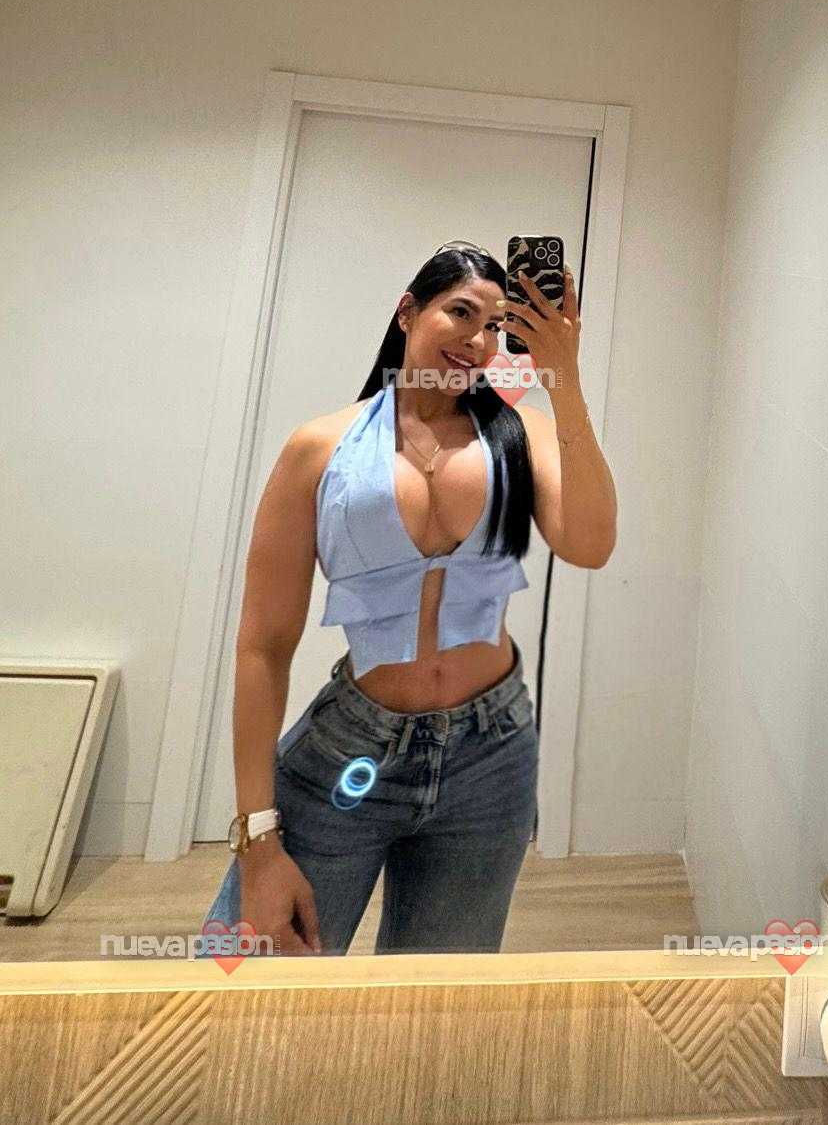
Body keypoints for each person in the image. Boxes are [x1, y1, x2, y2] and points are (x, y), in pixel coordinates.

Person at [201, 241, 617, 958]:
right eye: (461, 312)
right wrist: (258, 839)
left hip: (492, 754)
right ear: (407, 312)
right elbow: (262, 648)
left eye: (495, 326)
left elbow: (590, 544)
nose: (478, 339)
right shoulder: (320, 449)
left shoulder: (523, 435)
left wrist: (564, 379)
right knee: (248, 973)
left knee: (437, 997)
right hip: (352, 750)